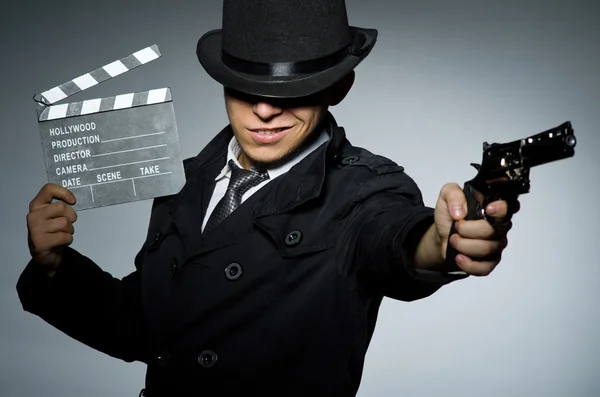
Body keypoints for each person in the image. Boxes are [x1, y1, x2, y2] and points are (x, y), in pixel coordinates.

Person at [17, 0, 518, 396]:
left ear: (338, 86)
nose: (262, 110)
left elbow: (396, 239)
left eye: (291, 90)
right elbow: (153, 329)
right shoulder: (186, 180)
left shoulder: (365, 190)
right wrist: (57, 268)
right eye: (244, 86)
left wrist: (444, 239)